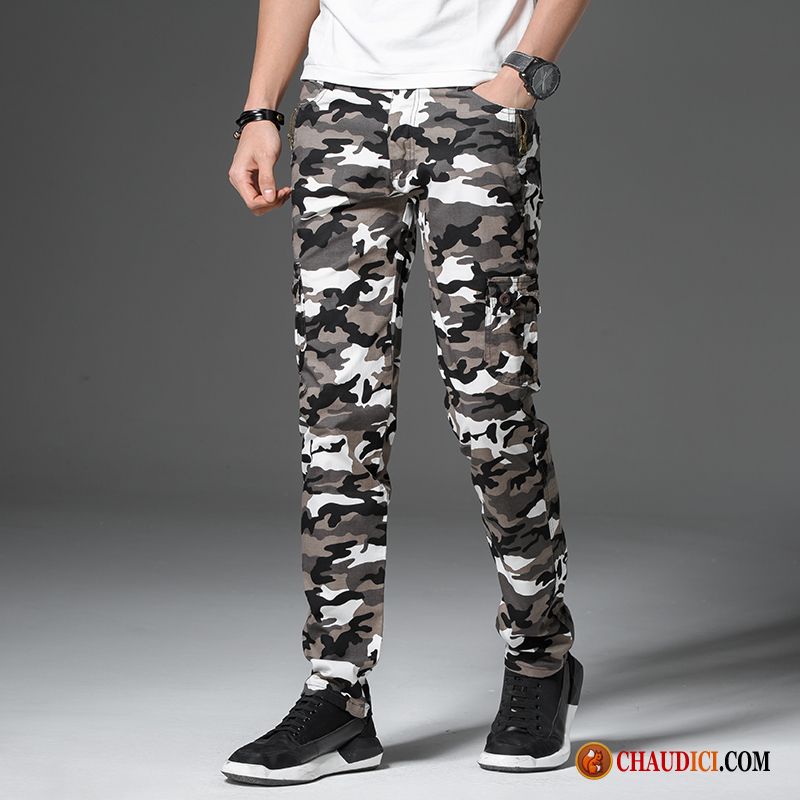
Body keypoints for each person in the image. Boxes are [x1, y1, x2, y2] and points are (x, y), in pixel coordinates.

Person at [223, 0, 591, 785]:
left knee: (492, 408)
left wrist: (523, 73)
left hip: (474, 106)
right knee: (335, 420)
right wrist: (261, 110)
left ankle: (540, 658)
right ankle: (338, 693)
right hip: (339, 113)